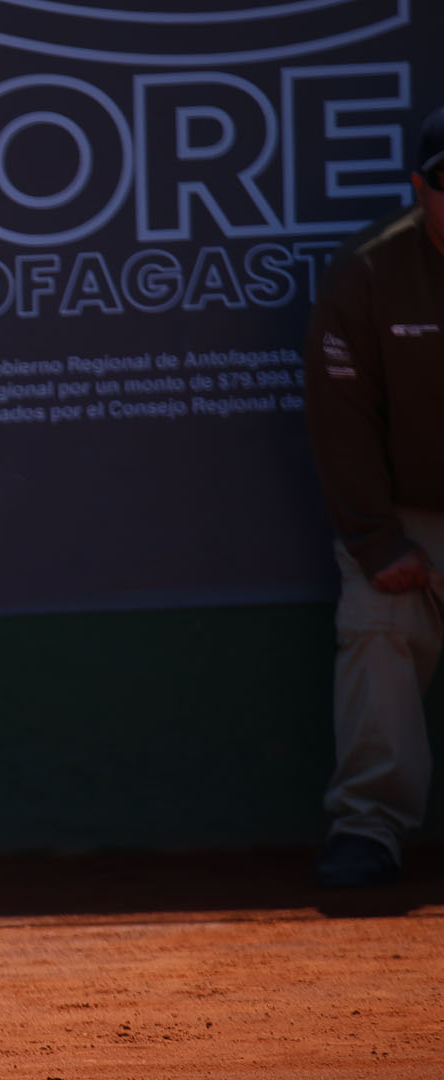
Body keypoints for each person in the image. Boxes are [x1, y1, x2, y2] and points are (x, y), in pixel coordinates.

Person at [302, 104, 444, 889]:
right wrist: (377, 540)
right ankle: (369, 831)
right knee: (378, 625)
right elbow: (340, 419)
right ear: (420, 186)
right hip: (407, 517)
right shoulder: (368, 271)